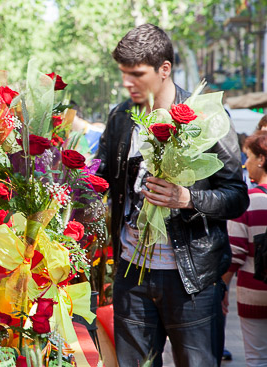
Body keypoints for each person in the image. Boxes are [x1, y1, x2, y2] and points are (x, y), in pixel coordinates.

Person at [95, 24, 249, 367]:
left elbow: (237, 198)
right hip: (131, 275)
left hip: (192, 281)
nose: (127, 83)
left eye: (136, 74)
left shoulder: (206, 117)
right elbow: (103, 182)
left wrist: (188, 198)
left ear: (164, 69)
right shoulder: (121, 117)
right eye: (122, 74)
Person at [222, 131, 267, 367]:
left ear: (261, 159)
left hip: (255, 291)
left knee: (257, 359)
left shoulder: (249, 200)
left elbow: (235, 253)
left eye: (248, 156)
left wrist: (222, 288)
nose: (245, 163)